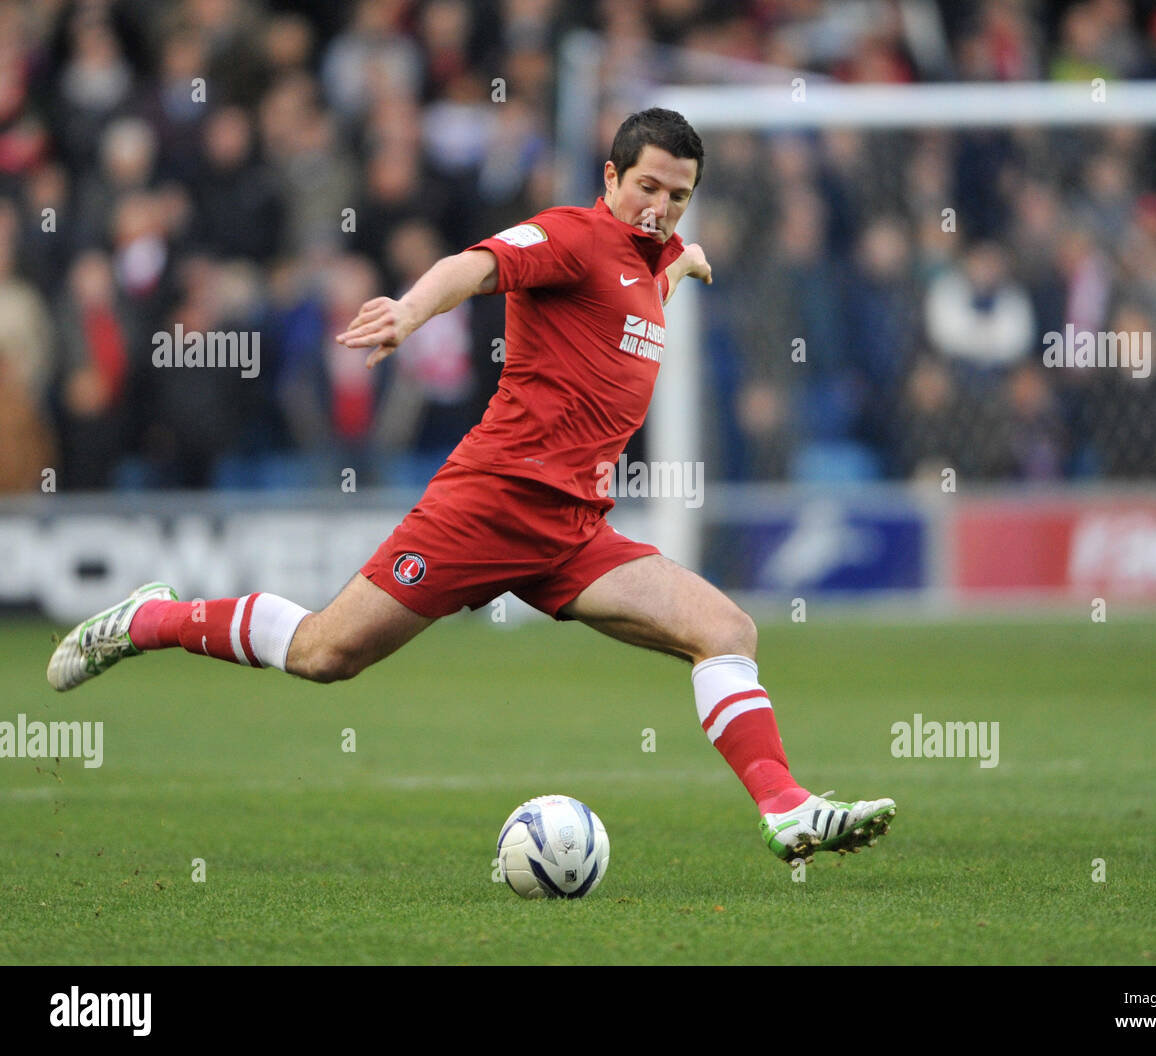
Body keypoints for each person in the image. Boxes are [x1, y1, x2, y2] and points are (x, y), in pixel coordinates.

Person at [47, 109, 895, 865]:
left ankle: (785, 810)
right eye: (645, 188)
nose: (660, 209)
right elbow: (472, 266)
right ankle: (149, 619)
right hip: (489, 504)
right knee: (322, 655)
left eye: (678, 196)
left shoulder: (655, 256)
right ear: (609, 178)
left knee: (727, 627)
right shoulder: (570, 235)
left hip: (573, 532)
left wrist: (685, 261)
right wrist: (410, 314)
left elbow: (647, 278)